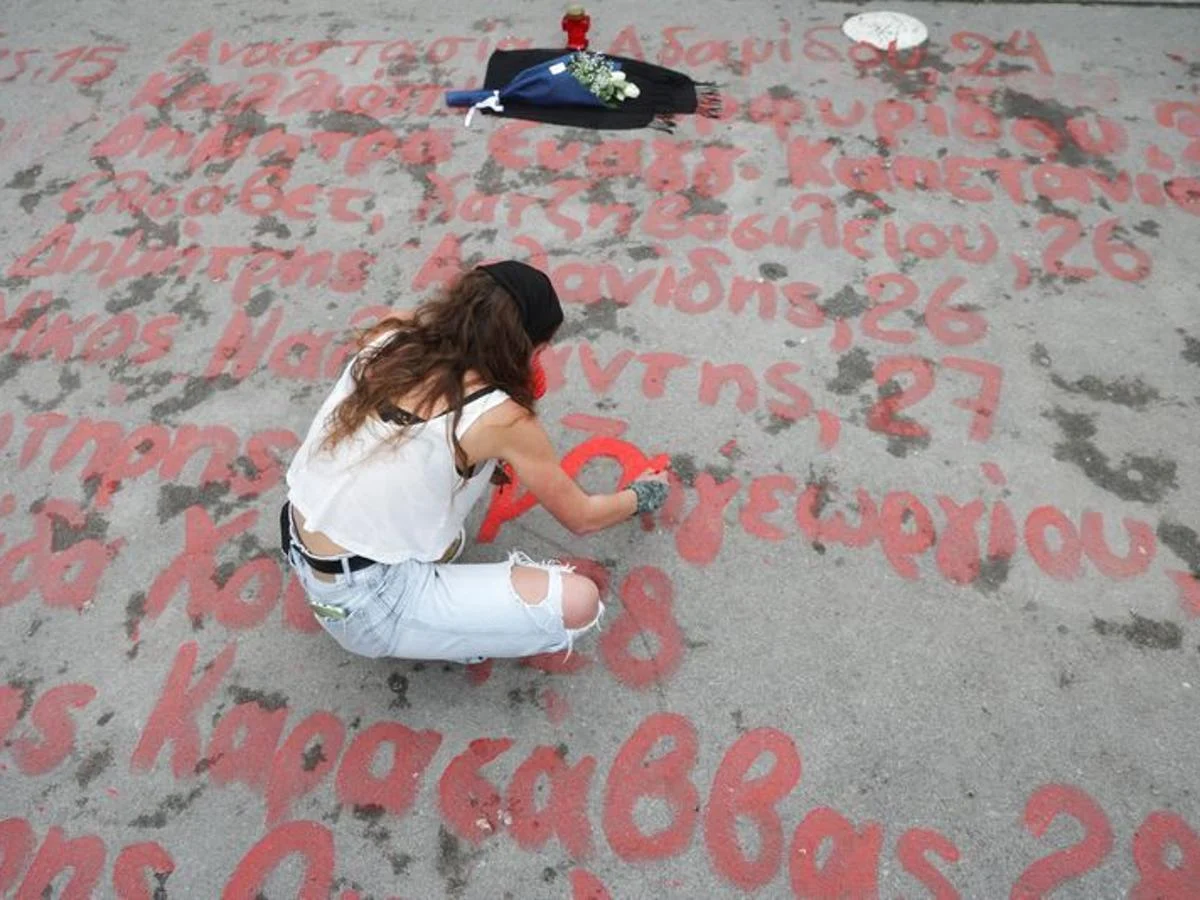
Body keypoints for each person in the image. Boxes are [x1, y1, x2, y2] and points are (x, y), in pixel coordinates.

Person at [280, 261, 669, 664]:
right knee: (579, 603)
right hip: (369, 605)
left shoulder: (394, 332)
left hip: (306, 543)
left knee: (452, 513)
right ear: (528, 347)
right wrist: (643, 494)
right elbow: (582, 517)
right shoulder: (501, 418)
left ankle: (435, 608)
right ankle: (451, 636)